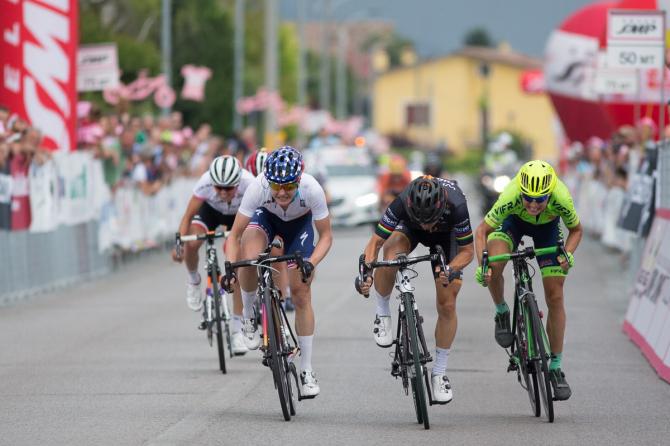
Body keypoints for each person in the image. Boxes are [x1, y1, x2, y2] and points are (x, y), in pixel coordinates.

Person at [355, 176, 474, 404]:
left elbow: (468, 251)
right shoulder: (402, 200)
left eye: (429, 219)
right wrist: (368, 271)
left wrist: (451, 268)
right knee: (391, 253)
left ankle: (439, 373)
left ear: (441, 207)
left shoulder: (457, 205)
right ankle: (383, 313)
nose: (426, 225)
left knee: (447, 301)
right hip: (410, 230)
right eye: (421, 218)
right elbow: (375, 242)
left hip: (446, 236)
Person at [228, 146, 333, 397]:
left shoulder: (312, 189)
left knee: (301, 293)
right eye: (276, 187)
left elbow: (326, 236)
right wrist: (231, 266)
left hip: (299, 228)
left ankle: (307, 370)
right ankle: (250, 315)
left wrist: (311, 262)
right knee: (250, 257)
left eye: (288, 186)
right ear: (268, 182)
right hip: (266, 220)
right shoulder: (258, 188)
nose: (283, 193)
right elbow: (234, 235)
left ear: (299, 180)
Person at [473, 160, 583, 401]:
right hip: (513, 222)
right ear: (521, 191)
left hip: (548, 230)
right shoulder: (511, 195)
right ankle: (502, 311)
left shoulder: (561, 197)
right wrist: (483, 265)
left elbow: (577, 230)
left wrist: (568, 254)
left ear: (549, 194)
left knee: (555, 296)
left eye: (540, 199)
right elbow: (481, 231)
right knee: (495, 262)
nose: (533, 204)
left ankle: (555, 366)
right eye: (528, 198)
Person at [172, 155, 254, 355]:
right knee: (193, 242)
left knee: (235, 265)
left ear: (238, 183)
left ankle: (236, 331)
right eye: (219, 188)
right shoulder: (205, 182)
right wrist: (180, 242)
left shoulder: (249, 183)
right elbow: (188, 215)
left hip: (238, 215)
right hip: (210, 212)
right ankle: (193, 280)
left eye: (229, 188)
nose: (224, 192)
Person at [244, 148, 295, 312]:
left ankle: (284, 296)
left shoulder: (279, 188)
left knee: (277, 252)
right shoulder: (248, 188)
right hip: (253, 221)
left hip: (273, 219)